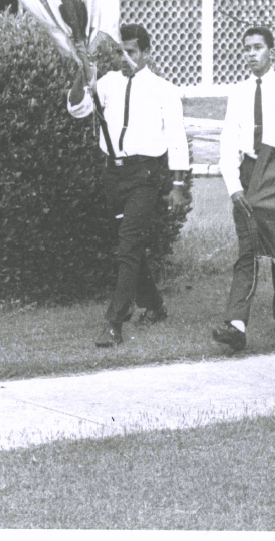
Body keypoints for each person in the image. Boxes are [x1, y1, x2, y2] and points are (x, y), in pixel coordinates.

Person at [67, 24, 190, 347]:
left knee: (129, 244)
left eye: (131, 52)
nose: (124, 58)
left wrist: (177, 185)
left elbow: (177, 138)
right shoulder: (107, 83)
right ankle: (156, 305)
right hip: (114, 175)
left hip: (145, 176)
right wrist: (83, 72)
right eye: (120, 51)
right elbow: (77, 108)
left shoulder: (163, 89)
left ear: (147, 53)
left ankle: (114, 323)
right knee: (129, 246)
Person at [211, 26, 275, 352]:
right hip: (250, 172)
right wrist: (234, 187)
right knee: (248, 250)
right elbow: (227, 142)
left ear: (271, 51)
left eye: (257, 48)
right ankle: (236, 323)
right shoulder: (238, 92)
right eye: (246, 48)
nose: (251, 54)